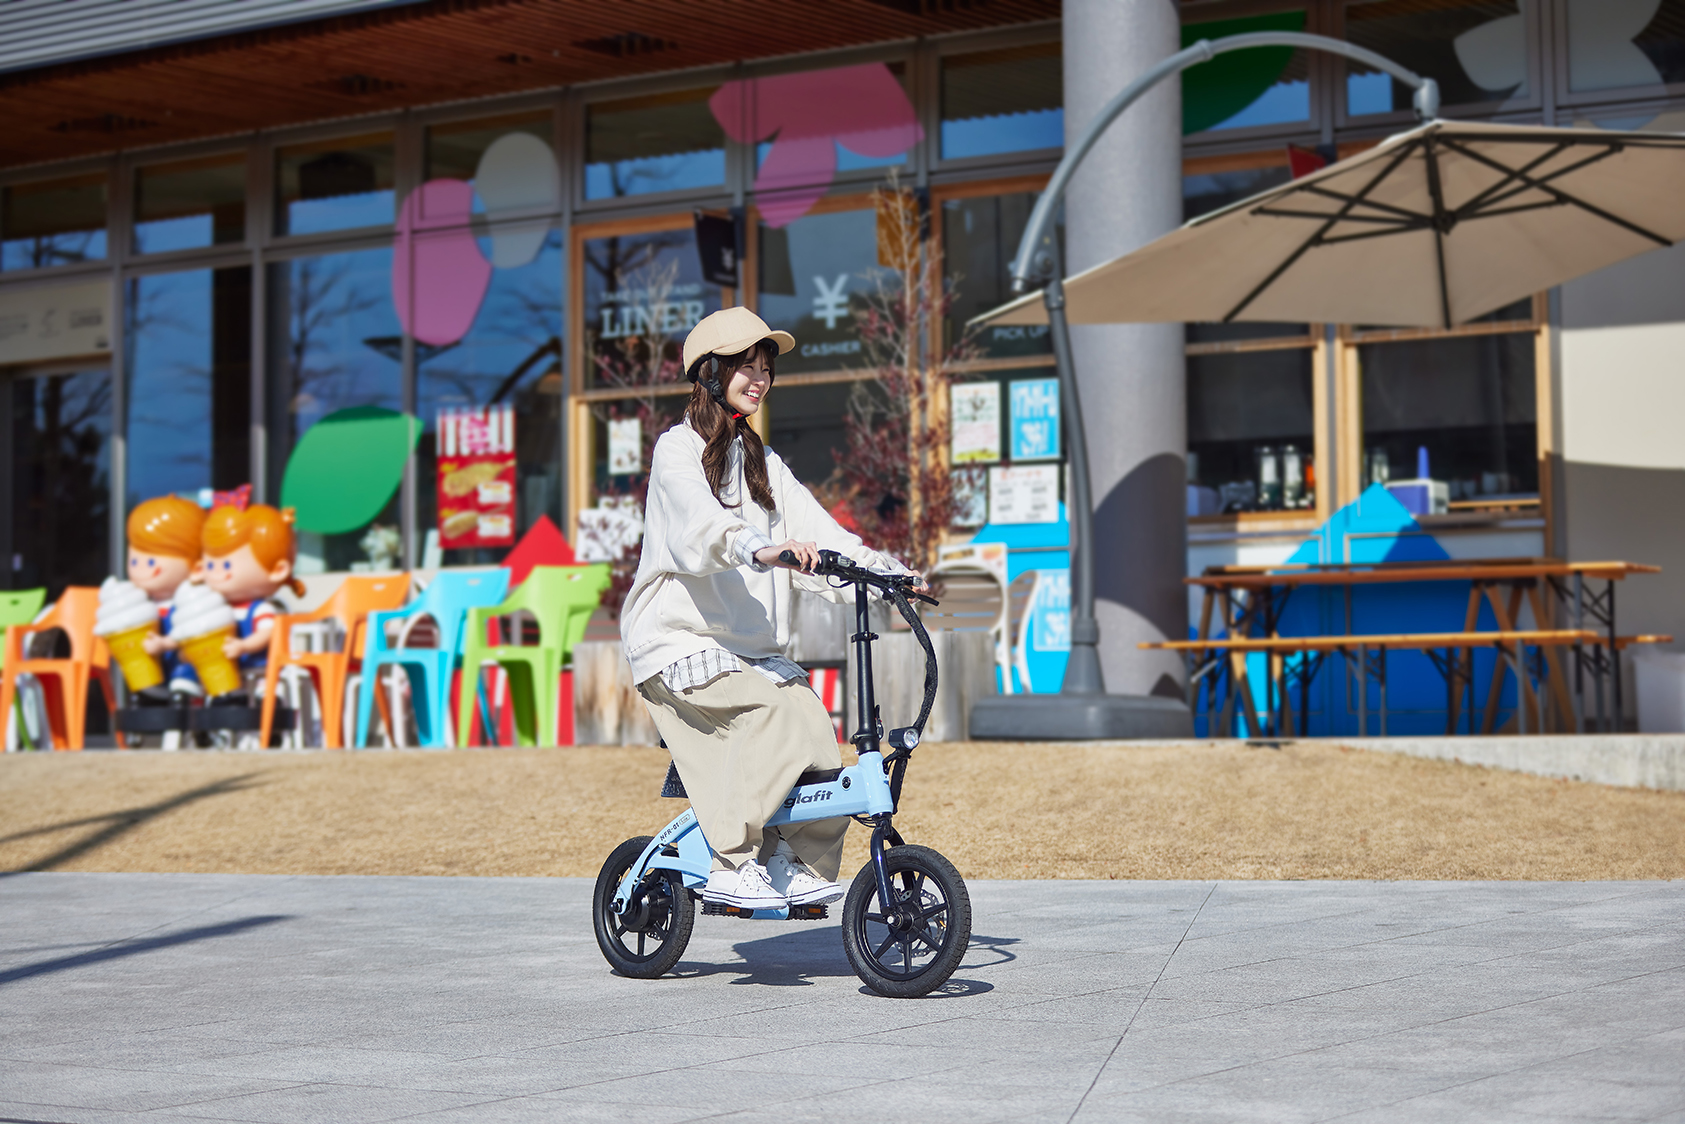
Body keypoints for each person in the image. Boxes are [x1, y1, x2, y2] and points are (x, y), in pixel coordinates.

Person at [621, 307, 916, 910]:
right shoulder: (676, 450)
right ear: (709, 372)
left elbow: (824, 533)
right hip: (678, 640)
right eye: (744, 367)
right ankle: (731, 863)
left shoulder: (762, 464)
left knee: (812, 726)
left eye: (765, 369)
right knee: (767, 714)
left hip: (746, 648)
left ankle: (792, 862)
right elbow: (700, 528)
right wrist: (760, 547)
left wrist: (887, 574)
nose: (758, 379)